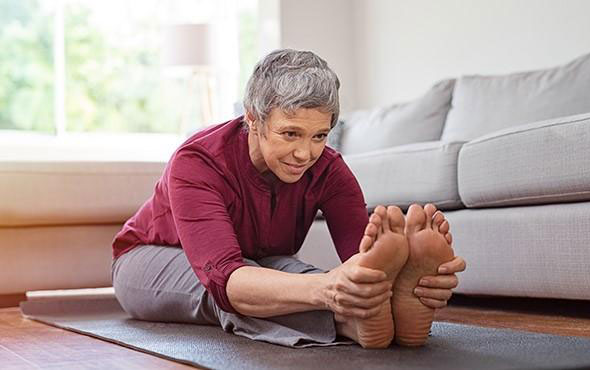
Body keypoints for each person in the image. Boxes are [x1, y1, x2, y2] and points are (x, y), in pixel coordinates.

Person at [111, 49, 467, 349]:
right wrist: (329, 289)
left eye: (319, 136)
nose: (304, 153)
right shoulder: (197, 162)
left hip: (256, 261)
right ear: (253, 119)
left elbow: (363, 261)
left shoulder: (329, 168)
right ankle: (346, 323)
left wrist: (409, 281)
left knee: (295, 275)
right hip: (152, 258)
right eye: (290, 133)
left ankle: (371, 314)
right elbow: (225, 278)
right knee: (237, 292)